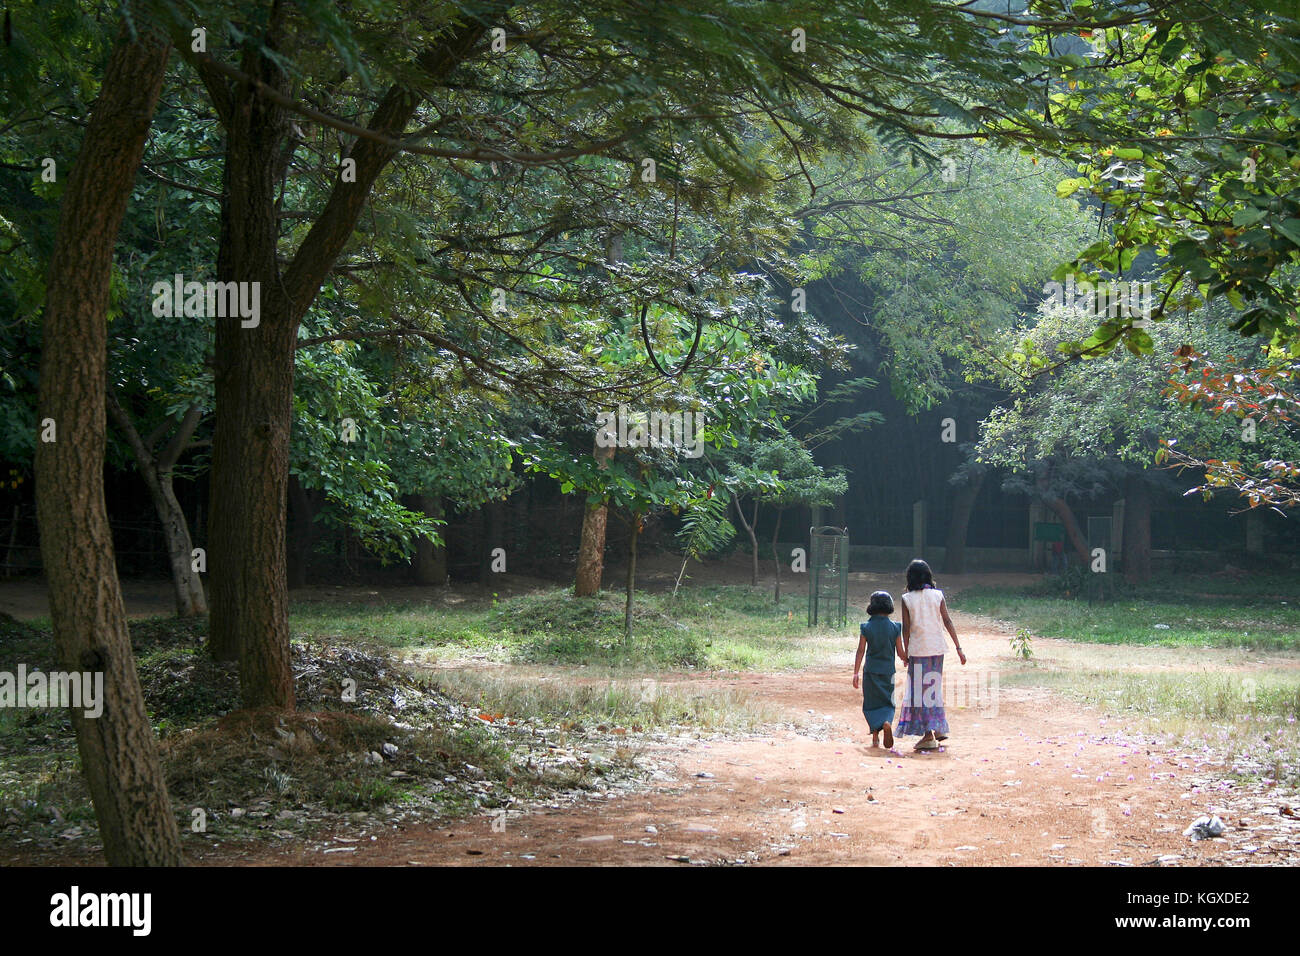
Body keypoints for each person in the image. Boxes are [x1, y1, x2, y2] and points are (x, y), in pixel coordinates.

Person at [895, 559, 967, 751]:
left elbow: (907, 629)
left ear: (910, 578)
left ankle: (929, 734)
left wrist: (905, 653)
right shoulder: (938, 595)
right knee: (932, 689)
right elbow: (948, 621)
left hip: (919, 650)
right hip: (936, 649)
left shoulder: (907, 599)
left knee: (920, 693)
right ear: (928, 575)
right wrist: (959, 648)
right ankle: (938, 727)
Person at [852, 590, 906, 749]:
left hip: (871, 672)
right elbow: (900, 651)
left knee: (871, 703)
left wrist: (855, 672)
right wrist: (906, 659)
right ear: (889, 606)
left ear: (872, 606)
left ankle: (875, 737)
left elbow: (860, 650)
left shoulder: (867, 627)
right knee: (888, 702)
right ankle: (887, 722)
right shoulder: (895, 627)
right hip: (888, 671)